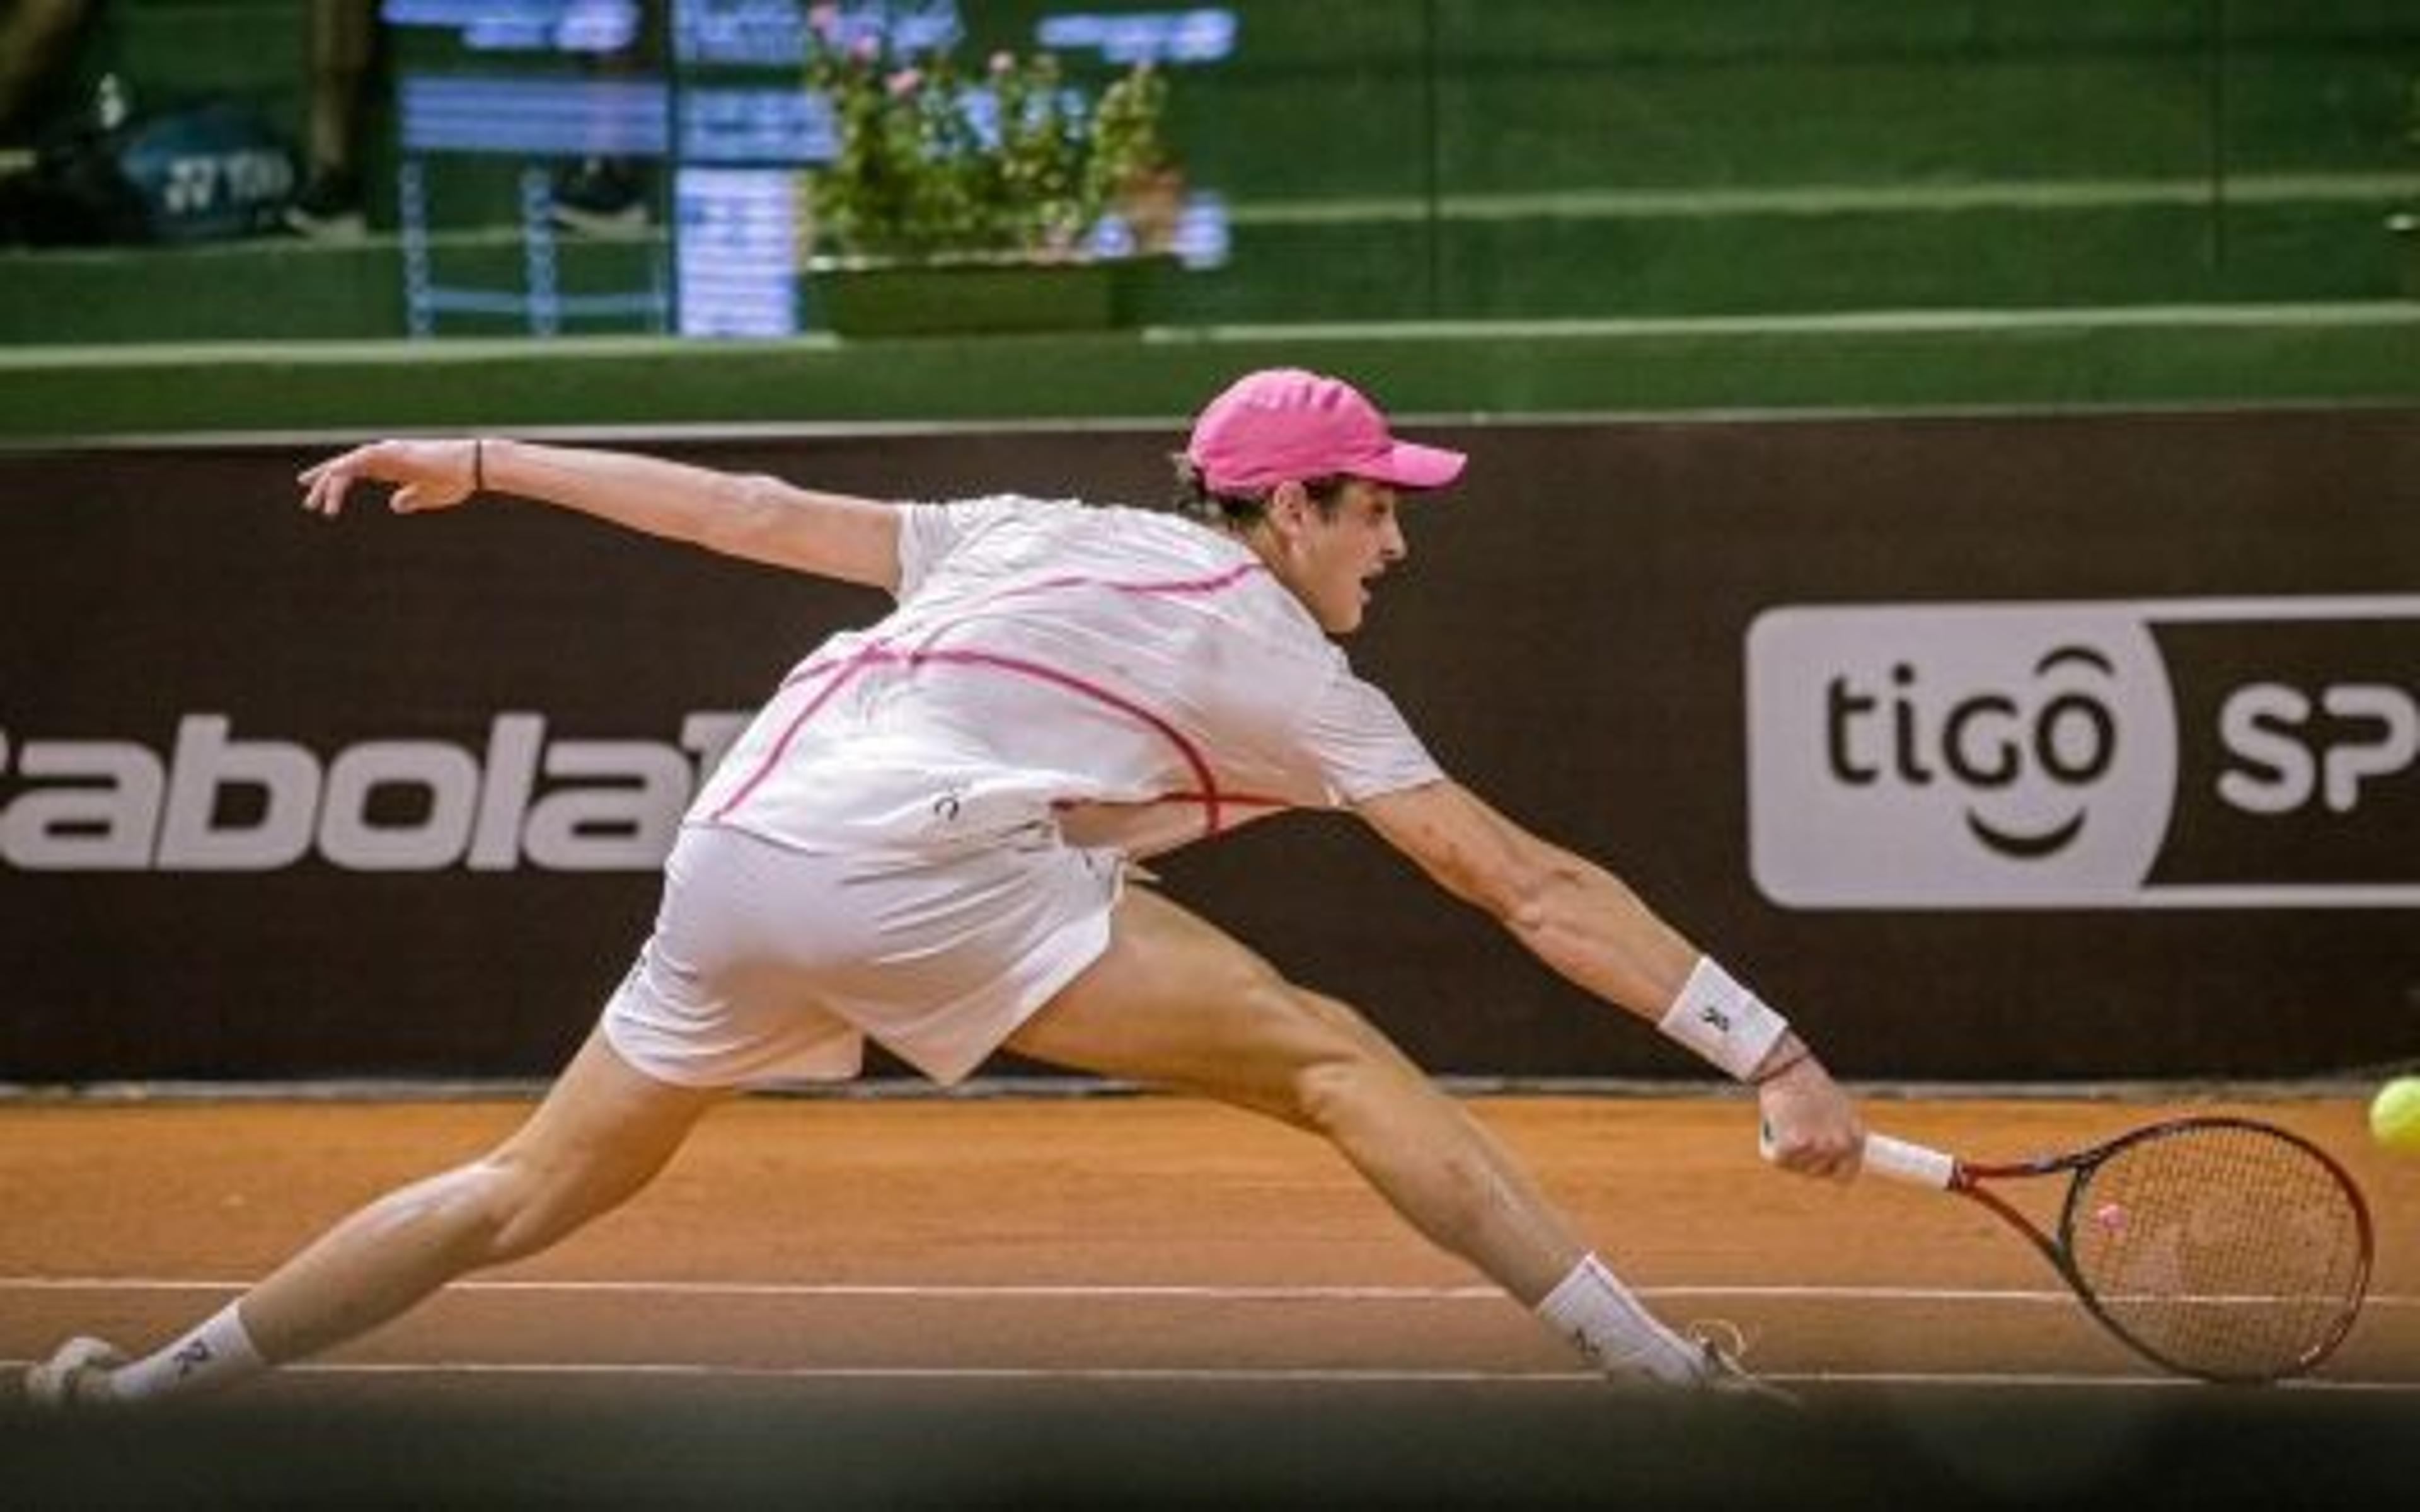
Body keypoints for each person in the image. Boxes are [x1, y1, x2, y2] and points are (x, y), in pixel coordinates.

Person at [23, 368, 1865, 1408]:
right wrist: (1767, 1051)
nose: (1396, 539)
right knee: (1337, 1059)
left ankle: (142, 1398)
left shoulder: (1022, 528)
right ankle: (1666, 1384)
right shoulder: (1288, 663)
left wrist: (492, 458)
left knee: (523, 1188)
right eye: (1376, 505)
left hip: (741, 846)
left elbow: (746, 513)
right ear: (1285, 512)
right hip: (916, 868)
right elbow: (1523, 885)